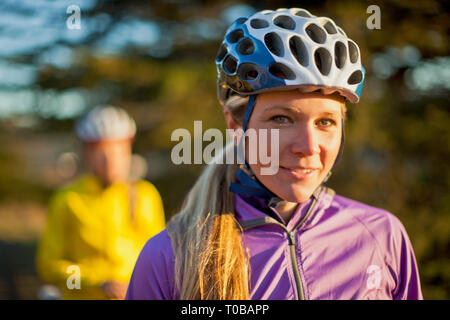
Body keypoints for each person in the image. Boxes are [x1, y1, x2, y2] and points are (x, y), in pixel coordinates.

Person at [126, 8, 422, 300]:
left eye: (326, 122)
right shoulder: (168, 258)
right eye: (281, 119)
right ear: (235, 125)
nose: (308, 146)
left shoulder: (382, 235)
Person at [36, 105, 166, 299]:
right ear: (87, 153)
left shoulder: (146, 195)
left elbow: (161, 260)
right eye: (102, 152)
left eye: (119, 150)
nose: (111, 160)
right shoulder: (67, 199)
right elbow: (49, 267)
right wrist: (97, 282)